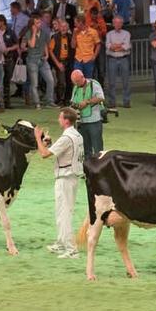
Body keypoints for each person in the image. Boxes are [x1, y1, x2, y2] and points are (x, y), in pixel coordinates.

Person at [34, 107, 84, 260]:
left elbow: (44, 154)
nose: (58, 119)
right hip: (72, 176)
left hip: (65, 178)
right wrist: (52, 143)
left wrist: (38, 138)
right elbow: (64, 150)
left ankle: (71, 249)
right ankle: (62, 242)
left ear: (66, 121)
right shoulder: (76, 135)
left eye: (60, 117)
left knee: (64, 214)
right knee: (63, 212)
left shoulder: (66, 137)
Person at [69, 70, 104, 160]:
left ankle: (100, 167)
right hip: (81, 122)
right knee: (85, 148)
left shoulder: (94, 84)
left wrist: (87, 102)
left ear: (82, 77)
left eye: (77, 81)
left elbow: (101, 98)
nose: (76, 83)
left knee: (98, 149)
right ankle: (88, 168)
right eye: (74, 82)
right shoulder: (76, 87)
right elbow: (72, 101)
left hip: (94, 121)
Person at [25, 16, 54, 108]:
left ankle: (49, 101)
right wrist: (34, 32)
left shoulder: (44, 33)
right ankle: (37, 103)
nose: (39, 25)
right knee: (34, 83)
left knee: (51, 80)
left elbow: (45, 44)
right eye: (37, 23)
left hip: (42, 59)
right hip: (32, 60)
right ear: (32, 25)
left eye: (39, 23)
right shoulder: (28, 33)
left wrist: (47, 54)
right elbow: (32, 45)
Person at [104, 17, 131, 109]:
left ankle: (126, 101)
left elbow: (126, 46)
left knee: (126, 81)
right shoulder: (109, 34)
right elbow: (108, 46)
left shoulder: (127, 34)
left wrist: (115, 46)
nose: (118, 25)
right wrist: (120, 45)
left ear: (122, 24)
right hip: (112, 59)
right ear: (113, 24)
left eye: (119, 23)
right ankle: (112, 102)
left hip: (124, 59)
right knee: (111, 82)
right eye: (116, 23)